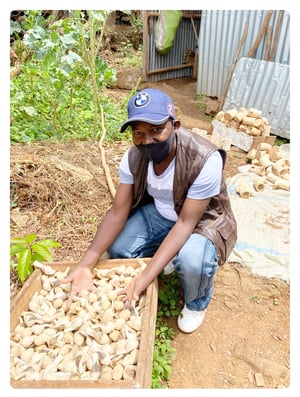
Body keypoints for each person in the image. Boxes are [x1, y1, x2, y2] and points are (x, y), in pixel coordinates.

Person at [61, 88, 237, 333]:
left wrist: (144, 278)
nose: (148, 141)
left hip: (201, 221)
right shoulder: (133, 158)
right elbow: (117, 212)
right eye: (139, 134)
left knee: (193, 260)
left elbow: (186, 223)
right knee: (120, 249)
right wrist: (85, 264)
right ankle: (168, 255)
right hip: (163, 214)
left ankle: (197, 302)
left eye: (156, 130)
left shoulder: (205, 159)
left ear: (175, 126)